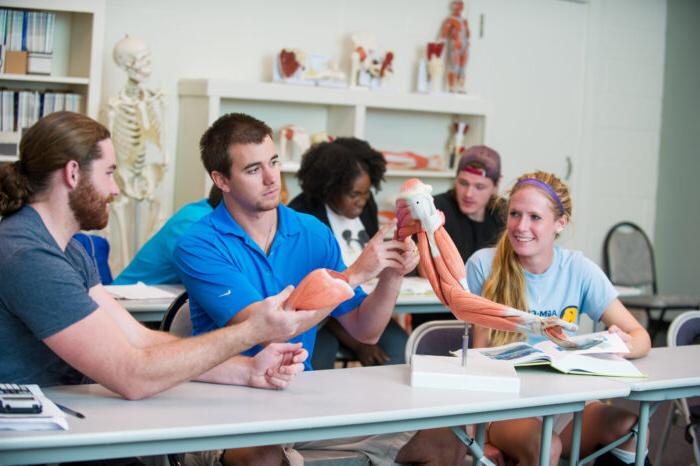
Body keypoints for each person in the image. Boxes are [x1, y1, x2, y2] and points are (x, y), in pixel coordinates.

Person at [174, 112, 470, 466]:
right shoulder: (199, 244)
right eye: (253, 170)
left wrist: (392, 271)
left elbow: (366, 330)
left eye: (274, 162)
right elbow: (269, 330)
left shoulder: (311, 231)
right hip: (227, 403)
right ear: (221, 179)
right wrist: (357, 274)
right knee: (264, 458)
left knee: (443, 442)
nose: (272, 179)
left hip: (300, 399)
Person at [0, 111, 314, 403]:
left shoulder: (67, 248)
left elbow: (138, 338)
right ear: (72, 173)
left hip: (74, 417)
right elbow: (131, 374)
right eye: (109, 173)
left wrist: (247, 370)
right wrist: (253, 330)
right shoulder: (28, 255)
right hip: (39, 437)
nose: (115, 190)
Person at [467, 171, 652, 466]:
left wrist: (619, 345)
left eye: (535, 217)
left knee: (630, 428)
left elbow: (641, 336)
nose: (521, 226)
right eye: (515, 214)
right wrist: (477, 438)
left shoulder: (578, 268)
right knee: (545, 447)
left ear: (560, 223)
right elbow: (479, 357)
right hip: (504, 406)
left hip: (564, 403)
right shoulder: (483, 265)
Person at [288, 137, 408, 369]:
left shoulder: (365, 204)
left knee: (399, 348)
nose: (362, 201)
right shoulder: (304, 218)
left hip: (362, 306)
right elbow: (308, 297)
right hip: (321, 320)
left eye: (366, 192)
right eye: (355, 194)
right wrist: (357, 343)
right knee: (317, 358)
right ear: (329, 189)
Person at [412, 144, 505, 330]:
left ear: (496, 185)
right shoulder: (435, 208)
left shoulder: (505, 214)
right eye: (463, 183)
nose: (469, 194)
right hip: (438, 314)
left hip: (488, 314)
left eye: (479, 187)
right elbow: (425, 269)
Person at [113, 185, 222, 285]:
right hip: (127, 300)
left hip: (160, 301)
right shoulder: (194, 222)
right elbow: (216, 280)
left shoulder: (210, 218)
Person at [439, 0, 470, 92]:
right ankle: (452, 87)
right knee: (454, 66)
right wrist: (439, 45)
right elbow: (443, 35)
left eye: (460, 4)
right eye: (457, 4)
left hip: (464, 46)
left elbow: (467, 34)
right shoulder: (450, 20)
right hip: (456, 46)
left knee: (463, 67)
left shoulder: (464, 21)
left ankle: (460, 87)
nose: (459, 6)